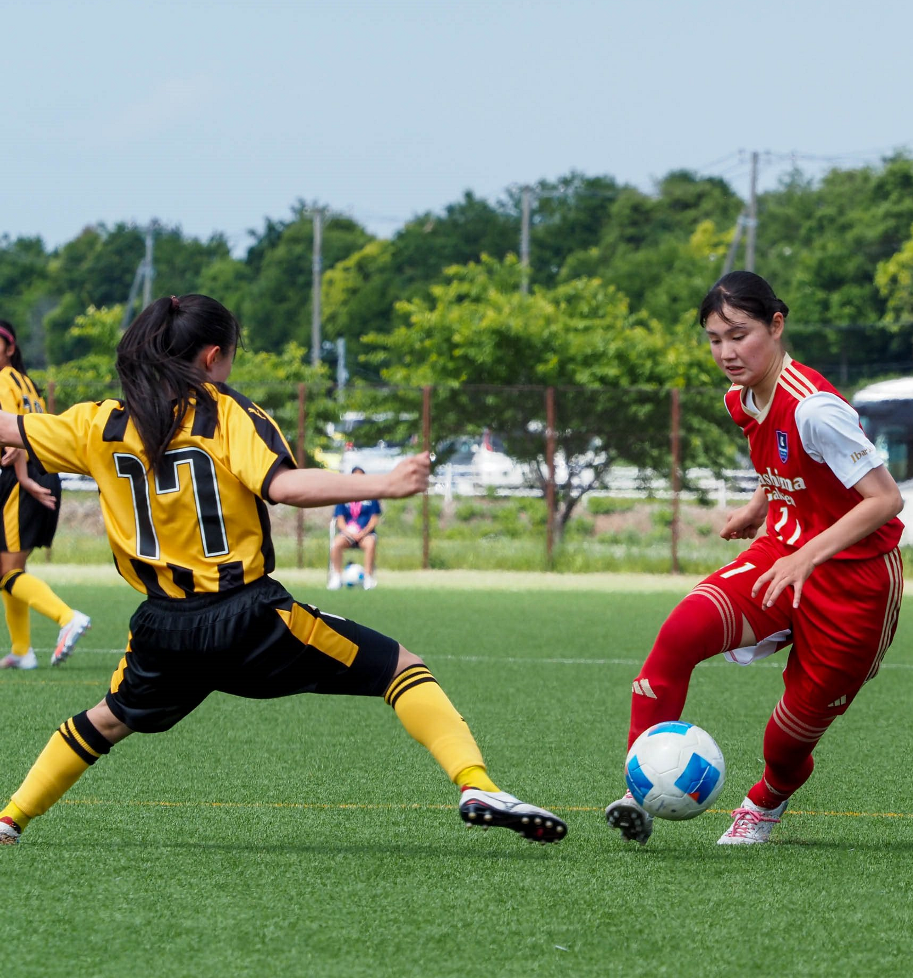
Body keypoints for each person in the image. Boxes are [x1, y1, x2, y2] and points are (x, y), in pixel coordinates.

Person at [0, 295, 565, 846]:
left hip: (163, 627)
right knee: (400, 668)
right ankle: (477, 785)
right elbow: (285, 486)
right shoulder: (226, 414)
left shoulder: (98, 423)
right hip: (247, 617)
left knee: (105, 721)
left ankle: (10, 819)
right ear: (212, 357)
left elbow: (10, 427)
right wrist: (385, 483)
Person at [606, 271, 905, 846]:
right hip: (782, 553)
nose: (726, 352)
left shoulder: (815, 408)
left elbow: (886, 500)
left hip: (854, 580)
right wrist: (758, 504)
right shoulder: (741, 398)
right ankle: (638, 791)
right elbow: (791, 462)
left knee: (787, 740)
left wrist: (807, 556)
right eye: (715, 339)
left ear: (776, 325)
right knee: (679, 635)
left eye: (739, 335)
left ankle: (766, 800)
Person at [0, 320, 90, 670]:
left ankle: (68, 618)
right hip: (43, 470)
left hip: (22, 476)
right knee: (11, 569)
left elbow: (12, 435)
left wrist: (23, 478)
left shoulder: (4, 380)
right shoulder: (26, 382)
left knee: (7, 573)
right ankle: (21, 650)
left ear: (10, 348)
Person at [328, 467, 380, 589]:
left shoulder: (371, 496)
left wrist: (362, 533)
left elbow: (374, 519)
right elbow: (340, 520)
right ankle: (337, 576)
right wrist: (349, 533)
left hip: (365, 534)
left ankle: (368, 577)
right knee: (336, 544)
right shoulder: (343, 496)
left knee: (370, 543)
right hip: (348, 534)